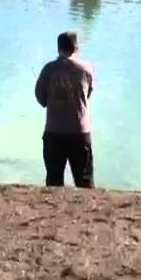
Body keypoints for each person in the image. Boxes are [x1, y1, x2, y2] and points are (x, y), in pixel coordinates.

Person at [34, 31, 94, 188]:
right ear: (76, 48)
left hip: (54, 133)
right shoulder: (86, 68)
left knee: (54, 182)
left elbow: (40, 98)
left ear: (59, 48)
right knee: (85, 183)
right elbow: (88, 93)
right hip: (80, 133)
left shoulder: (49, 69)